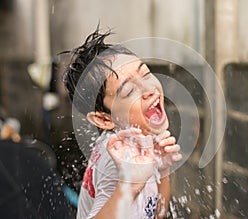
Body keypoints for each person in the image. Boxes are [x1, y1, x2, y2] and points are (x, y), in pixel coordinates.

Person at [63, 28, 182, 219]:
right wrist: (130, 185)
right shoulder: (117, 166)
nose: (148, 88)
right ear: (104, 119)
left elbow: (157, 213)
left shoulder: (142, 141)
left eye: (145, 73)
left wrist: (162, 170)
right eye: (128, 91)